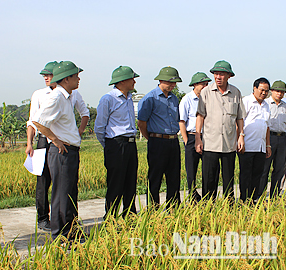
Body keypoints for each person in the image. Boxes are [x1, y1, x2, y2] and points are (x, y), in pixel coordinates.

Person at [26, 61, 89, 232]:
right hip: (61, 152)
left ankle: (70, 230)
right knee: (61, 194)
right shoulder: (56, 97)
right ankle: (61, 234)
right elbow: (37, 121)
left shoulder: (66, 97)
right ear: (67, 79)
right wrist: (55, 139)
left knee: (68, 192)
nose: (79, 79)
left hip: (69, 151)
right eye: (76, 76)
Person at [195, 60, 246, 201]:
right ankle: (207, 206)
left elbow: (240, 118)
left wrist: (241, 136)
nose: (218, 77)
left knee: (228, 179)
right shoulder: (206, 92)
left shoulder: (236, 93)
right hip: (210, 143)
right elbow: (200, 116)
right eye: (216, 74)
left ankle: (228, 207)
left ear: (229, 76)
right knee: (209, 178)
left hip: (229, 144)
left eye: (222, 74)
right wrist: (198, 138)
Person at [95, 66, 140, 218]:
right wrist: (109, 146)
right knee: (116, 183)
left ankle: (129, 215)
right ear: (121, 81)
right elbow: (99, 127)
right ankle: (111, 218)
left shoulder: (129, 98)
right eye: (131, 79)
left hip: (130, 144)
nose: (134, 81)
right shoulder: (108, 99)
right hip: (116, 144)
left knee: (130, 182)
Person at [137, 66, 182, 209]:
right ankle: (153, 208)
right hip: (157, 141)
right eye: (171, 82)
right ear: (161, 80)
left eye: (175, 83)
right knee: (155, 177)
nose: (173, 85)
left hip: (173, 141)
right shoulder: (150, 98)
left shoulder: (174, 99)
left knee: (174, 177)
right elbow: (141, 123)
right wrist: (151, 138)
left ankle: (173, 207)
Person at [179, 72, 211, 202]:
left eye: (207, 84)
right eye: (203, 84)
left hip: (207, 138)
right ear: (195, 84)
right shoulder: (187, 99)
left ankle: (207, 196)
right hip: (192, 137)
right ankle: (192, 196)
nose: (205, 86)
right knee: (191, 170)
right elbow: (182, 121)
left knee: (208, 169)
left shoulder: (209, 99)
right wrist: (187, 141)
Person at [238, 77, 271, 203]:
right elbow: (239, 122)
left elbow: (267, 126)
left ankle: (254, 200)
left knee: (258, 174)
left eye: (266, 91)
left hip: (261, 146)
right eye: (262, 90)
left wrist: (268, 145)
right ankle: (243, 200)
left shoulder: (266, 106)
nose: (264, 93)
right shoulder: (246, 101)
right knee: (246, 174)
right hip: (247, 145)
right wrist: (240, 139)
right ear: (255, 88)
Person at [259, 80, 286, 199]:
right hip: (269, 138)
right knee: (265, 168)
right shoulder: (266, 104)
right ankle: (260, 195)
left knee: (279, 168)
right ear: (272, 91)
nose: (280, 94)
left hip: (282, 138)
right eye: (277, 91)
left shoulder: (285, 106)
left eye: (282, 92)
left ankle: (274, 195)